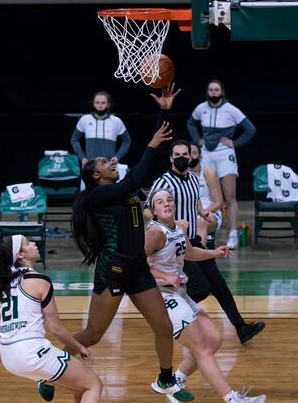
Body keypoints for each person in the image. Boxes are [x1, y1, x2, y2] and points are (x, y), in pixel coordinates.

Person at [67, 84, 195, 402]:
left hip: (137, 268)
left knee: (164, 328)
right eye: (102, 163)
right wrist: (152, 143)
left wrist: (163, 112)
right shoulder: (99, 195)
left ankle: (166, 378)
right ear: (96, 176)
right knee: (93, 334)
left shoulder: (119, 187)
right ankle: (55, 362)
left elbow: (139, 171)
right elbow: (138, 177)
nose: (109, 161)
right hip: (113, 270)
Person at [145, 189, 267, 403]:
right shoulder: (155, 233)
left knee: (214, 339)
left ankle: (175, 384)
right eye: (160, 201)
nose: (166, 203)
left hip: (180, 292)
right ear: (153, 210)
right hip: (162, 296)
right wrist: (164, 274)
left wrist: (214, 253)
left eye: (169, 200)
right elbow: (134, 264)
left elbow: (189, 252)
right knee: (202, 348)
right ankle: (232, 398)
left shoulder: (179, 227)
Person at [147, 140, 265, 346]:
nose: (182, 158)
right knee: (201, 288)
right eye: (177, 155)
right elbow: (148, 209)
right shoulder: (163, 182)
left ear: (192, 156)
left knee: (218, 283)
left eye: (185, 154)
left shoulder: (193, 178)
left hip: (193, 240)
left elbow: (196, 201)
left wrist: (202, 213)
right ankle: (170, 314)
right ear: (170, 158)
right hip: (175, 243)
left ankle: (241, 328)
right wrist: (164, 226)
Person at [0, 235, 103, 403]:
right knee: (94, 384)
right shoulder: (39, 280)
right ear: (20, 255)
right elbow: (55, 328)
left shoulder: (4, 283)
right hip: (31, 351)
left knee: (80, 386)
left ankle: (43, 380)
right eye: (28, 243)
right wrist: (79, 347)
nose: (34, 243)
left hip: (7, 355)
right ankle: (43, 378)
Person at [186, 80, 256, 249]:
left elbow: (250, 129)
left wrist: (235, 143)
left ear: (222, 92)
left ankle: (233, 233)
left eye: (217, 90)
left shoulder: (231, 109)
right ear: (207, 92)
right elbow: (190, 123)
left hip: (224, 154)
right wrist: (197, 140)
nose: (214, 92)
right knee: (206, 193)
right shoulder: (201, 108)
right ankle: (206, 228)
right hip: (207, 153)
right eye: (211, 90)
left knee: (229, 196)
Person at [71, 90, 131, 167]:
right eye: (97, 102)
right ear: (93, 103)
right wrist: (82, 157)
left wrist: (117, 157)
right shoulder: (84, 119)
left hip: (108, 166)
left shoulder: (116, 121)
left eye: (103, 103)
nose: (100, 105)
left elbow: (127, 141)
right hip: (89, 167)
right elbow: (74, 139)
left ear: (108, 104)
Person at [190, 143, 224, 248]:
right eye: (188, 153)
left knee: (200, 223)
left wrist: (203, 212)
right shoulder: (180, 173)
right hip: (188, 213)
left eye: (194, 153)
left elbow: (219, 202)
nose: (191, 156)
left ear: (199, 156)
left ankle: (200, 260)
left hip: (209, 212)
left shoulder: (208, 173)